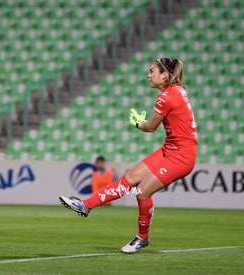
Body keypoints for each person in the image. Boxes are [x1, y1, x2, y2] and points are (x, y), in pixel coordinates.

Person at [60, 58, 197, 254]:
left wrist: (138, 123)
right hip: (172, 149)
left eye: (152, 71)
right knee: (130, 178)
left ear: (165, 75)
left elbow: (150, 127)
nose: (149, 75)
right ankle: (85, 205)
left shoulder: (166, 97)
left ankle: (142, 238)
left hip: (182, 156)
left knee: (142, 191)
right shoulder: (177, 91)